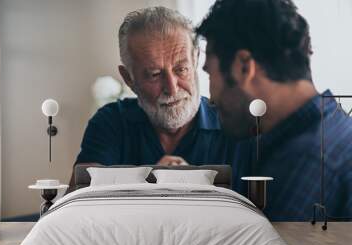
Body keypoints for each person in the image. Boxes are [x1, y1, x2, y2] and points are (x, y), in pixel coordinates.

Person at [196, 0, 352, 220]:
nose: (211, 99)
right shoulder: (336, 128)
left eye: (210, 73)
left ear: (243, 67)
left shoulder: (303, 163)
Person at [70, 7, 233, 182]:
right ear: (129, 78)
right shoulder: (110, 122)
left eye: (181, 69)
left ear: (196, 59)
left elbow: (254, 205)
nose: (172, 88)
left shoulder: (234, 124)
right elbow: (78, 202)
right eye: (154, 74)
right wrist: (146, 181)